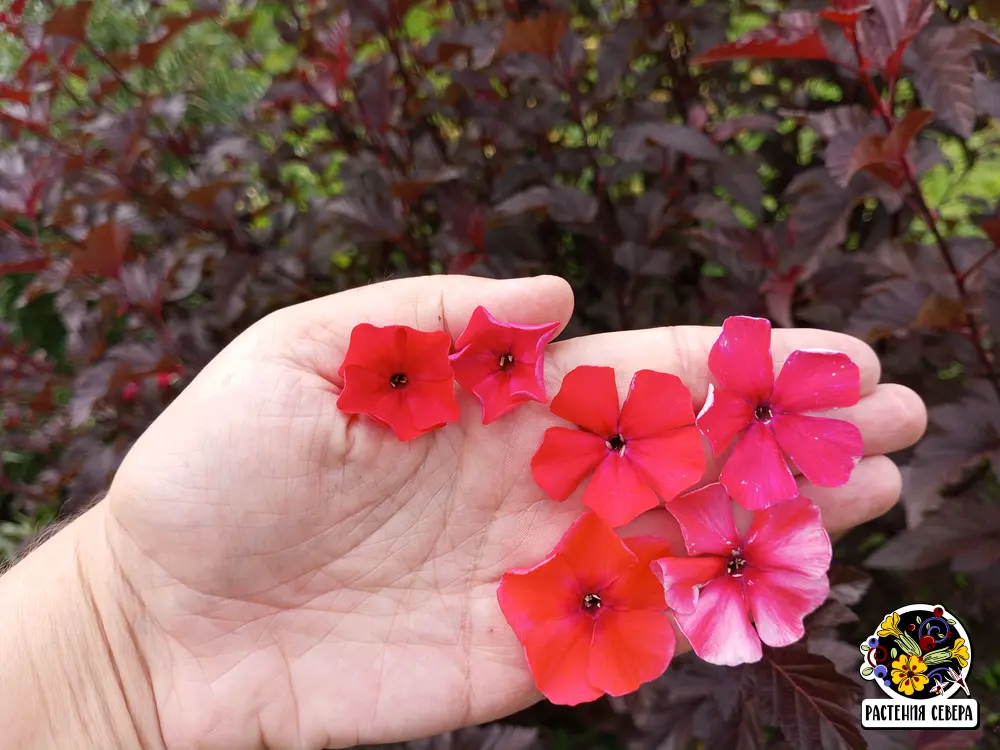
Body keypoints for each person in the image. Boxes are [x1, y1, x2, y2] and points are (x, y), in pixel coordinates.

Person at [0, 275, 927, 750]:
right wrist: (109, 622)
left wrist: (109, 631)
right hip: (617, 515)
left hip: (647, 505)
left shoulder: (669, 471)